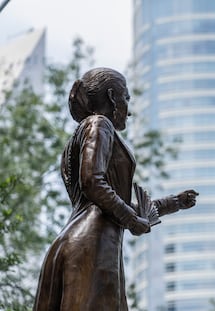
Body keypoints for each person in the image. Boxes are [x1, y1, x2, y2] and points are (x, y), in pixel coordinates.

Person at [33, 67, 198, 310]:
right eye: (126, 98)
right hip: (94, 245)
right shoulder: (100, 124)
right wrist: (132, 220)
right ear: (112, 97)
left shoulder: (79, 136)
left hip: (74, 241)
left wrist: (174, 203)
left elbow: (108, 198)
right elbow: (92, 181)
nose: (129, 111)